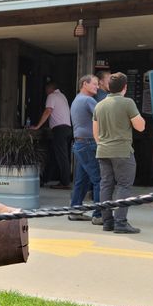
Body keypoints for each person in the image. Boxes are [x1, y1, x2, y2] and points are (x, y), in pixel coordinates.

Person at [93, 72, 145, 233]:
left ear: (108, 87)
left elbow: (95, 132)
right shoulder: (127, 102)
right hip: (122, 150)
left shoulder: (99, 105)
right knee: (124, 185)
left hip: (103, 150)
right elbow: (140, 126)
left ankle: (107, 222)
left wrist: (103, 144)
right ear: (125, 87)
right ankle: (120, 222)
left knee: (106, 185)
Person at [67, 74, 102, 224]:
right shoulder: (88, 100)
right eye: (94, 84)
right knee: (99, 179)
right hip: (88, 143)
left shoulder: (77, 99)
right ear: (84, 84)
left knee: (81, 180)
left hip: (80, 144)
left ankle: (75, 210)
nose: (97, 87)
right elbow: (103, 117)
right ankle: (99, 215)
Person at [31, 80, 72, 189]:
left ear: (50, 89)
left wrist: (38, 126)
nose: (45, 92)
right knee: (56, 155)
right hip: (67, 128)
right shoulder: (62, 96)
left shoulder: (52, 96)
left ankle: (65, 182)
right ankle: (44, 179)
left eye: (46, 90)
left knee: (61, 157)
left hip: (59, 129)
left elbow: (48, 111)